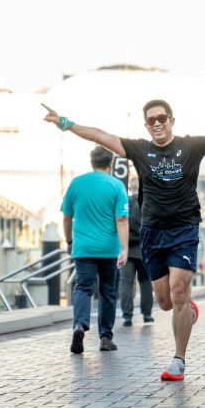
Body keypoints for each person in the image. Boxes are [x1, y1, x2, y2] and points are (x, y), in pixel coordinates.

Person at [43, 100, 205, 380]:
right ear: (146, 125)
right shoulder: (139, 149)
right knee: (166, 301)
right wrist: (65, 123)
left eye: (162, 118)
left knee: (179, 292)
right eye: (151, 121)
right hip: (152, 233)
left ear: (172, 120)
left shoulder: (190, 146)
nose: (157, 124)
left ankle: (178, 361)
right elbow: (100, 136)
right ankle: (187, 311)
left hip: (184, 229)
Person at [62, 145, 129, 354]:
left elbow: (66, 216)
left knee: (83, 287)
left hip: (83, 248)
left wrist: (68, 240)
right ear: (111, 164)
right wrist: (124, 248)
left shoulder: (76, 183)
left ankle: (79, 325)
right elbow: (121, 218)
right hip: (109, 249)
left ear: (92, 163)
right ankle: (105, 338)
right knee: (108, 292)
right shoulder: (117, 186)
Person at [119, 176, 155, 326]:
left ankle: (127, 316)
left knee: (126, 282)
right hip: (144, 249)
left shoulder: (124, 202)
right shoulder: (148, 202)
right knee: (145, 282)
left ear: (130, 188)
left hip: (127, 249)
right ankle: (147, 314)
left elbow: (119, 221)